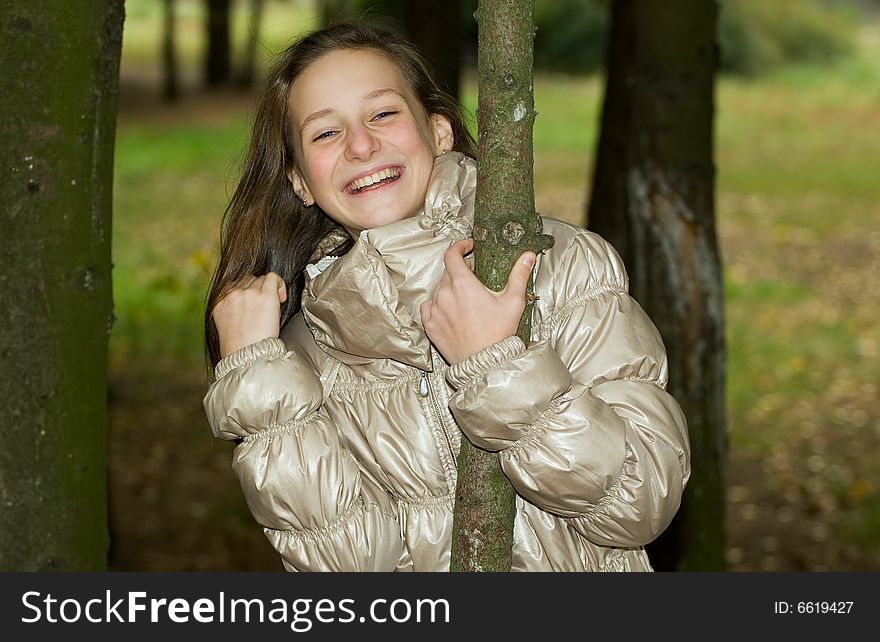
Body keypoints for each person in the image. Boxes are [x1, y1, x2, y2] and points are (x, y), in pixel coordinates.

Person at [203, 21, 690, 572]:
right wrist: (259, 383)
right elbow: (351, 567)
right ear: (299, 181)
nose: (361, 145)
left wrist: (496, 368)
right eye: (325, 133)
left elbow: (641, 501)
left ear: (438, 131)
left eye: (383, 113)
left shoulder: (556, 266)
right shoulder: (305, 356)